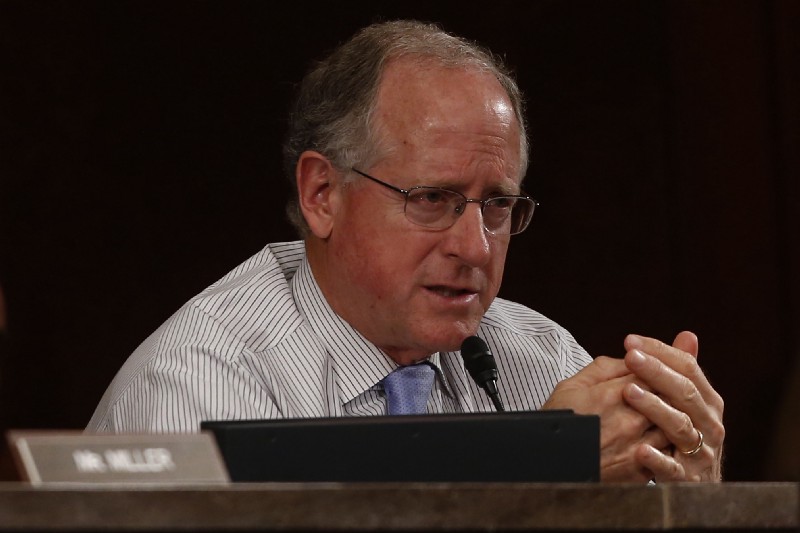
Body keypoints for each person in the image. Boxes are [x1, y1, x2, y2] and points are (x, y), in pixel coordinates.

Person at [88, 20, 724, 482]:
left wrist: (689, 507)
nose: (474, 246)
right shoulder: (198, 386)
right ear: (322, 194)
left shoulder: (542, 360)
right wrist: (532, 464)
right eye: (431, 198)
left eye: (497, 205)